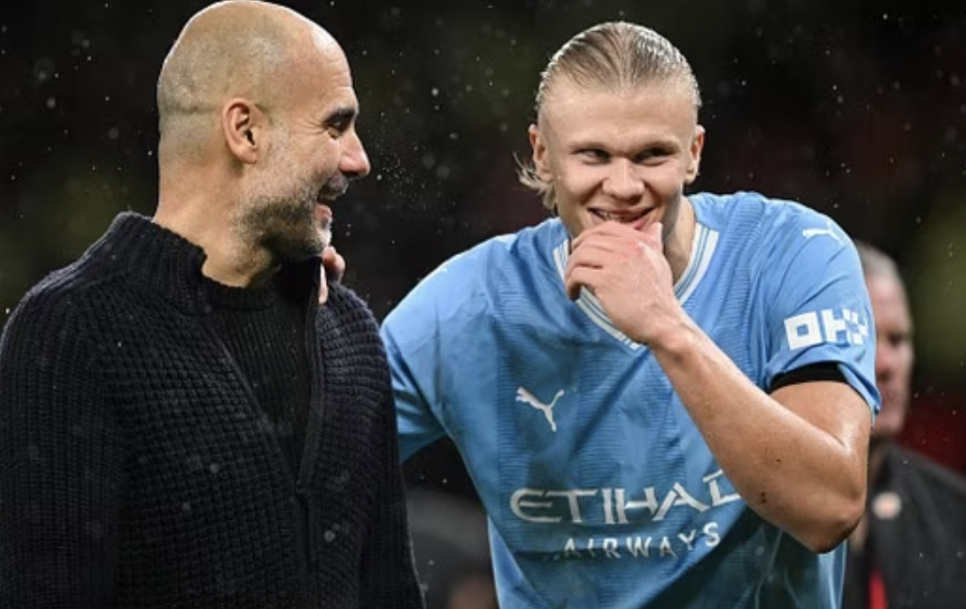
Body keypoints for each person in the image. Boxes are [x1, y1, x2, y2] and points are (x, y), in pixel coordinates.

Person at [381, 21, 880, 608]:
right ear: (542, 153)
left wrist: (666, 327)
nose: (623, 186)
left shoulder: (794, 256)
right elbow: (309, 463)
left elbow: (829, 509)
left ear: (694, 153)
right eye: (593, 154)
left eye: (652, 155)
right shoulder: (468, 306)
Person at [0, 1, 423, 607]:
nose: (358, 159)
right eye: (335, 126)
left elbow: (389, 591)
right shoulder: (71, 332)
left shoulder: (347, 331)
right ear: (245, 131)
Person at [841, 242, 966, 609]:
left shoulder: (955, 515)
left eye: (898, 340)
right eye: (864, 339)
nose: (885, 364)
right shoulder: (756, 519)